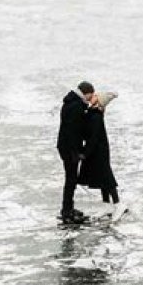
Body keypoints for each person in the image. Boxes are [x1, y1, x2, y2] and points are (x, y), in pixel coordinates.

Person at [57, 81, 94, 224]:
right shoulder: (76, 107)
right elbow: (74, 132)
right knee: (71, 180)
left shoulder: (72, 103)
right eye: (90, 95)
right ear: (87, 93)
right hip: (70, 149)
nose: (91, 99)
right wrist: (76, 152)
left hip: (66, 147)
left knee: (70, 179)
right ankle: (67, 211)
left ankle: (68, 208)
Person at [78, 91, 120, 206]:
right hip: (97, 151)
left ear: (99, 101)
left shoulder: (96, 116)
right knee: (102, 179)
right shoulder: (93, 113)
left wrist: (85, 153)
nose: (93, 96)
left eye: (96, 96)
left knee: (106, 178)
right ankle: (106, 204)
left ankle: (118, 204)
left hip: (99, 152)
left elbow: (93, 138)